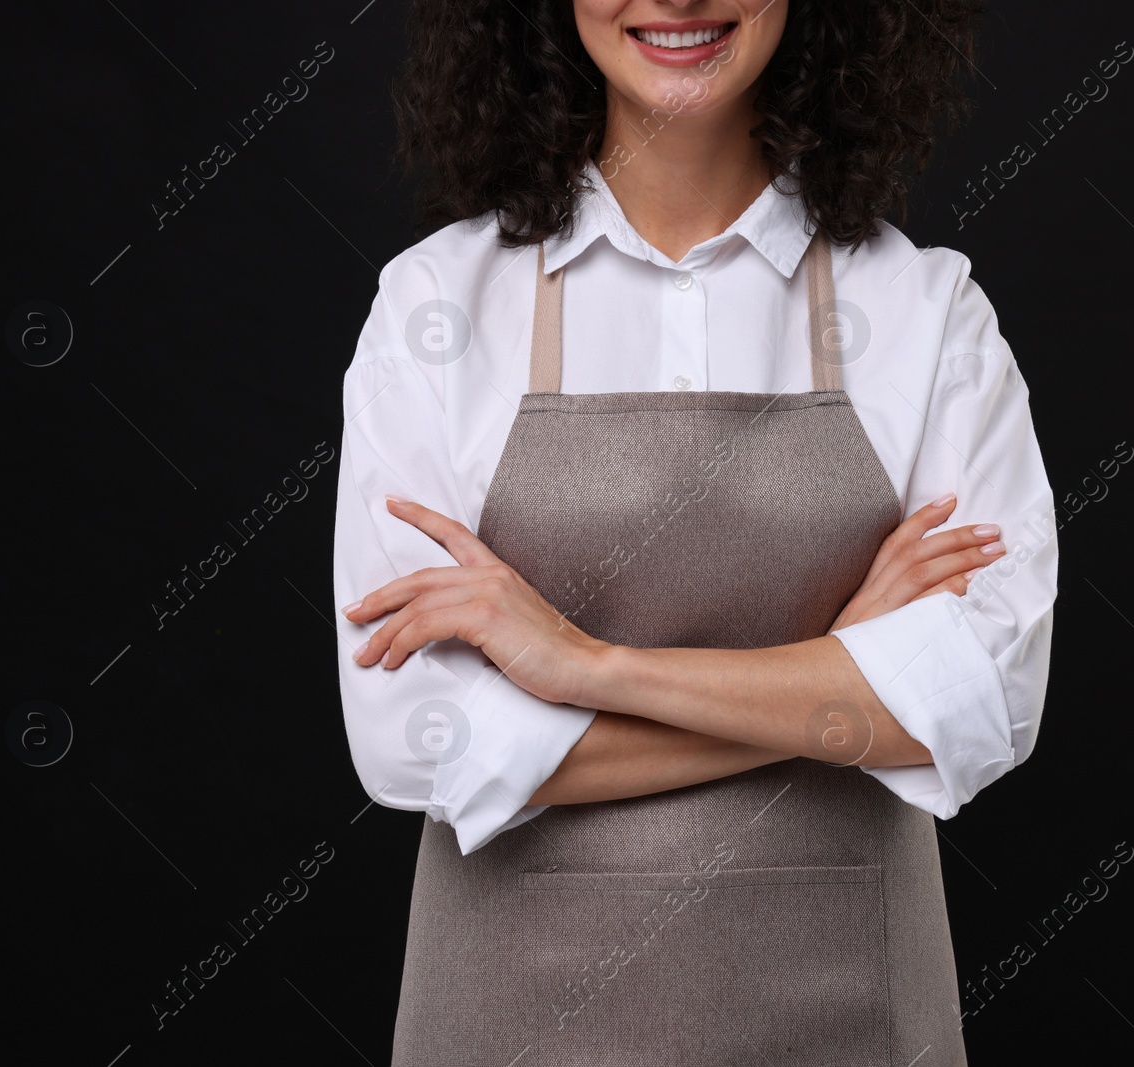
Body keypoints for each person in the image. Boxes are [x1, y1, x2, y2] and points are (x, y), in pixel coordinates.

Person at [332, 1, 1057, 1063]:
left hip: (851, 1016)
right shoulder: (435, 308)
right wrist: (839, 676)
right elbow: (412, 743)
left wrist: (582, 665)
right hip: (512, 1020)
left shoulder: (921, 309)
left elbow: (987, 700)